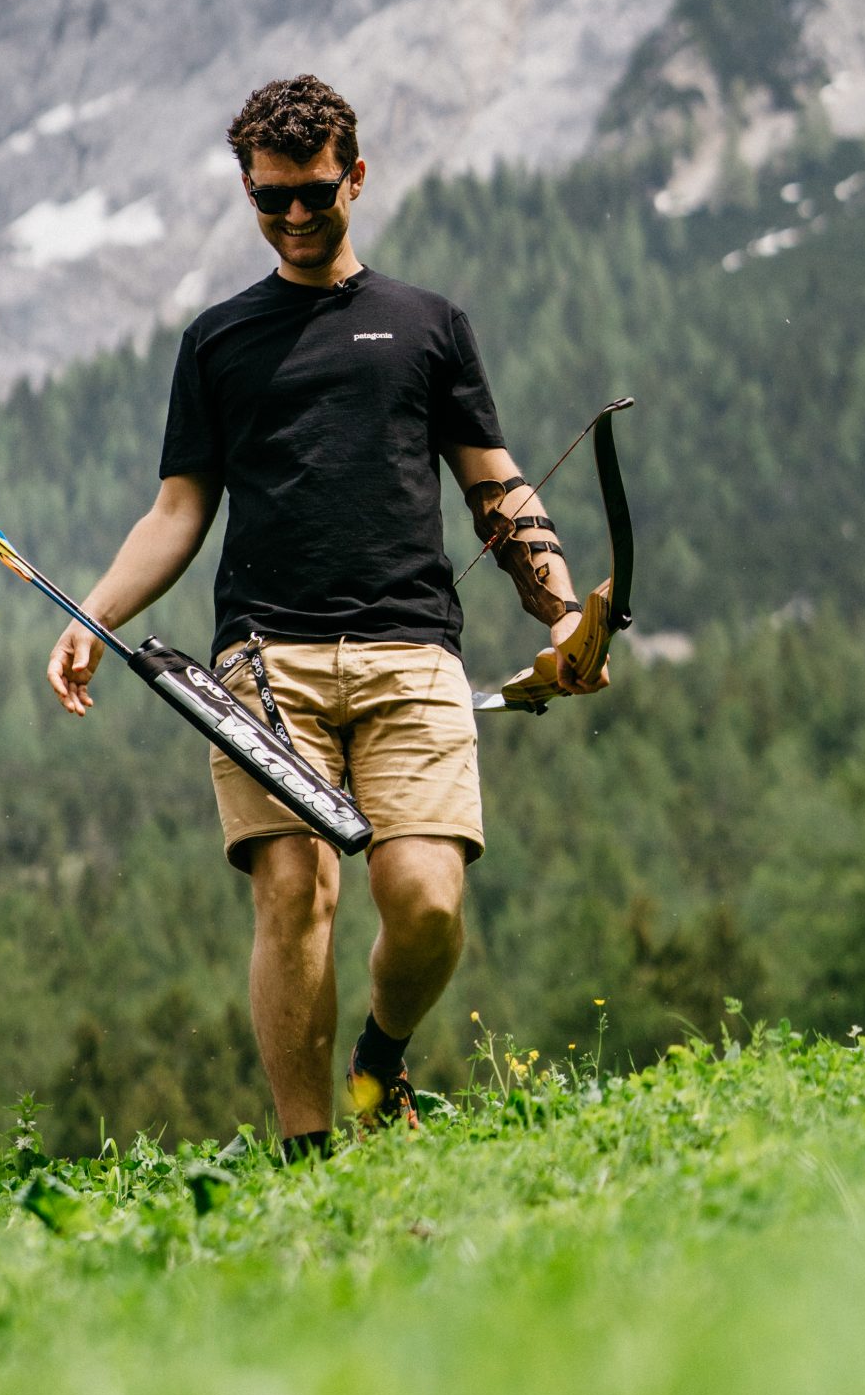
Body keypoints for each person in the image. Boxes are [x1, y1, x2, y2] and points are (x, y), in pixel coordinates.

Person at [45, 73, 596, 1151]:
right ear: (247, 191)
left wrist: (566, 613)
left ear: (355, 176)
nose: (295, 218)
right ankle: (310, 1157)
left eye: (314, 194)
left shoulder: (427, 325)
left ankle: (379, 1060)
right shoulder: (217, 341)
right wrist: (94, 615)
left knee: (427, 900)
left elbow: (494, 482)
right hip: (260, 665)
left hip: (413, 651)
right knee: (294, 899)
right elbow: (177, 510)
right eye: (270, 199)